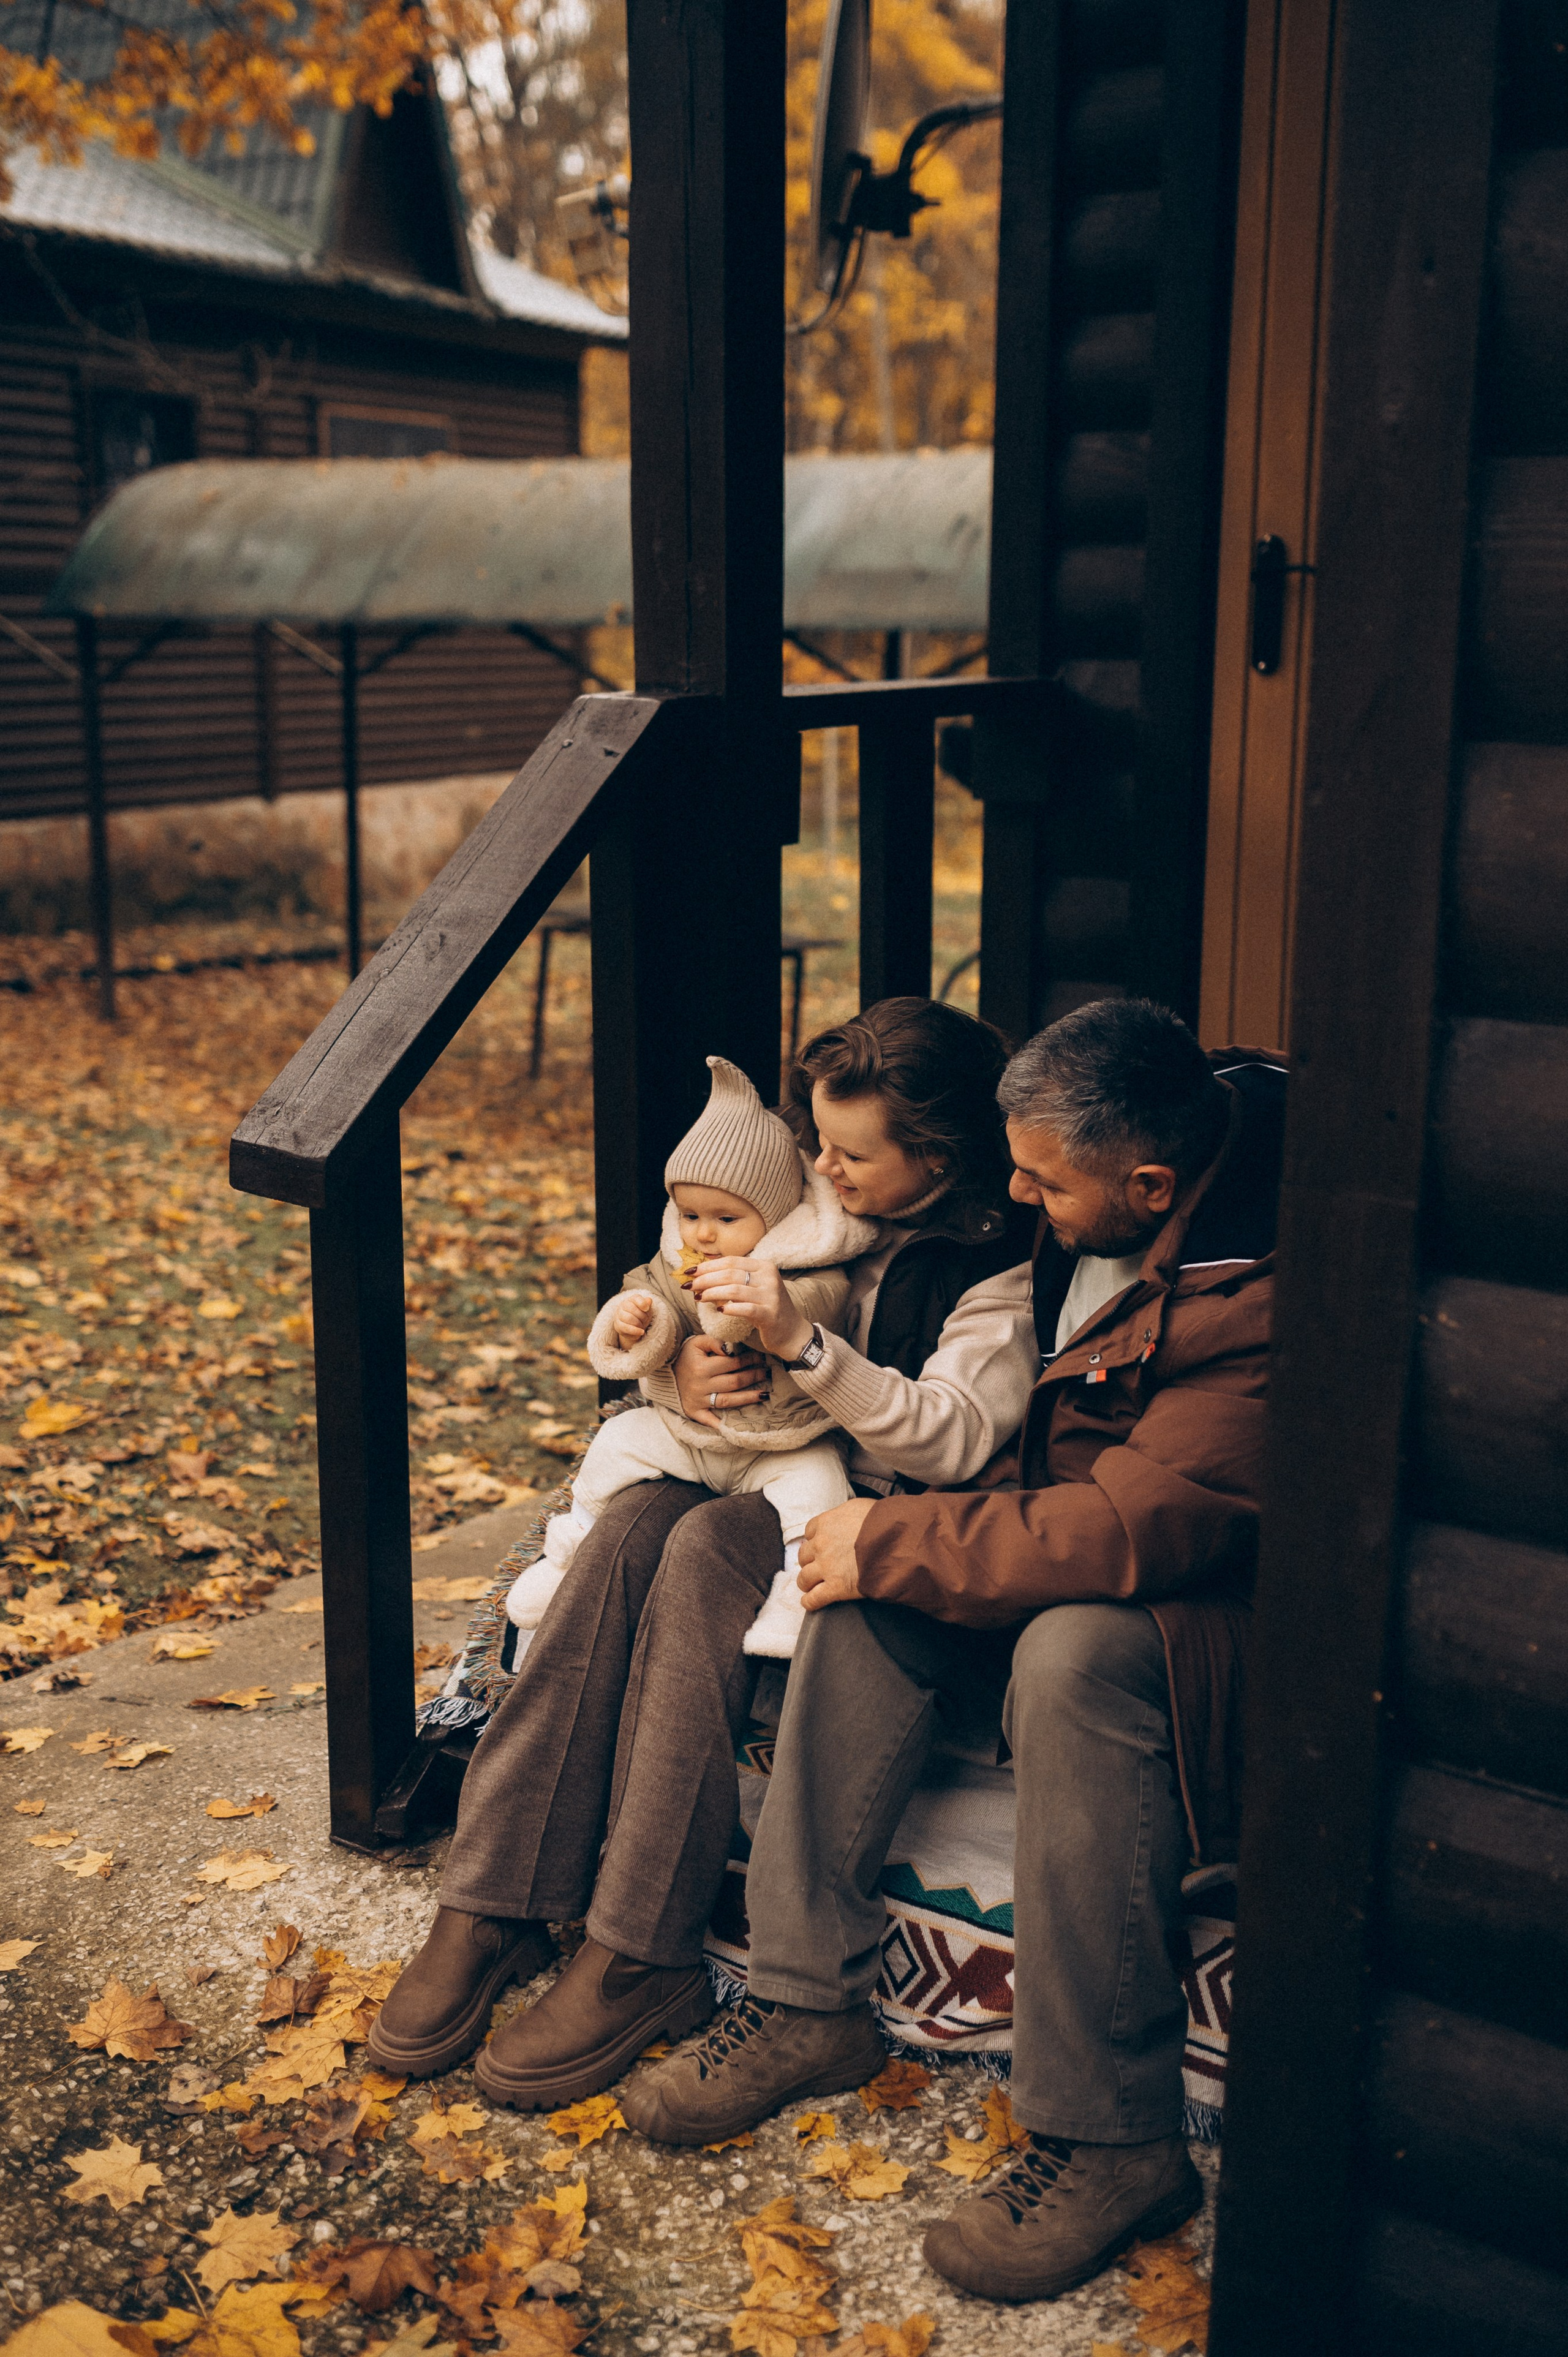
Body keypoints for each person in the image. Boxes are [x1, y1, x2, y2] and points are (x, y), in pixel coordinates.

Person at [618, 999, 1286, 2309]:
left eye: (1039, 1180)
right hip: (1060, 1540)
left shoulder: (1255, 1296)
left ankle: (1112, 2134)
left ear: (1145, 1184)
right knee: (877, 1590)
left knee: (1060, 1653)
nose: (1016, 1199)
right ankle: (807, 1996)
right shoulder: (1109, 1191)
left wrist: (905, 1538)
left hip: (1202, 1618)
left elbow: (1124, 1529)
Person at [366, 996, 1039, 2114]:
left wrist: (803, 1348)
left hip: (871, 1514)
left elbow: (954, 1432)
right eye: (816, 1139)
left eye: (850, 1152)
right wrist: (674, 1369)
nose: (820, 1165)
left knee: (690, 1554)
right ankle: (493, 1896)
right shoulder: (819, 1196)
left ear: (939, 1156)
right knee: (628, 1525)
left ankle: (641, 1948)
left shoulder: (996, 1270)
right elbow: (679, 1290)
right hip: (749, 1458)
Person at [502, 1053, 877, 1661]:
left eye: (726, 1218)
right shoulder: (677, 1260)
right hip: (690, 1434)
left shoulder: (809, 1270)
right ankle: (567, 1552)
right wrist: (636, 1325)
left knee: (820, 1489)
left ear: (776, 1215)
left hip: (780, 1442)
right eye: (691, 1214)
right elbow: (647, 1296)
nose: (702, 1234)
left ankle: (792, 1601)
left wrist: (746, 1307)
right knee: (615, 1443)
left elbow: (811, 1310)